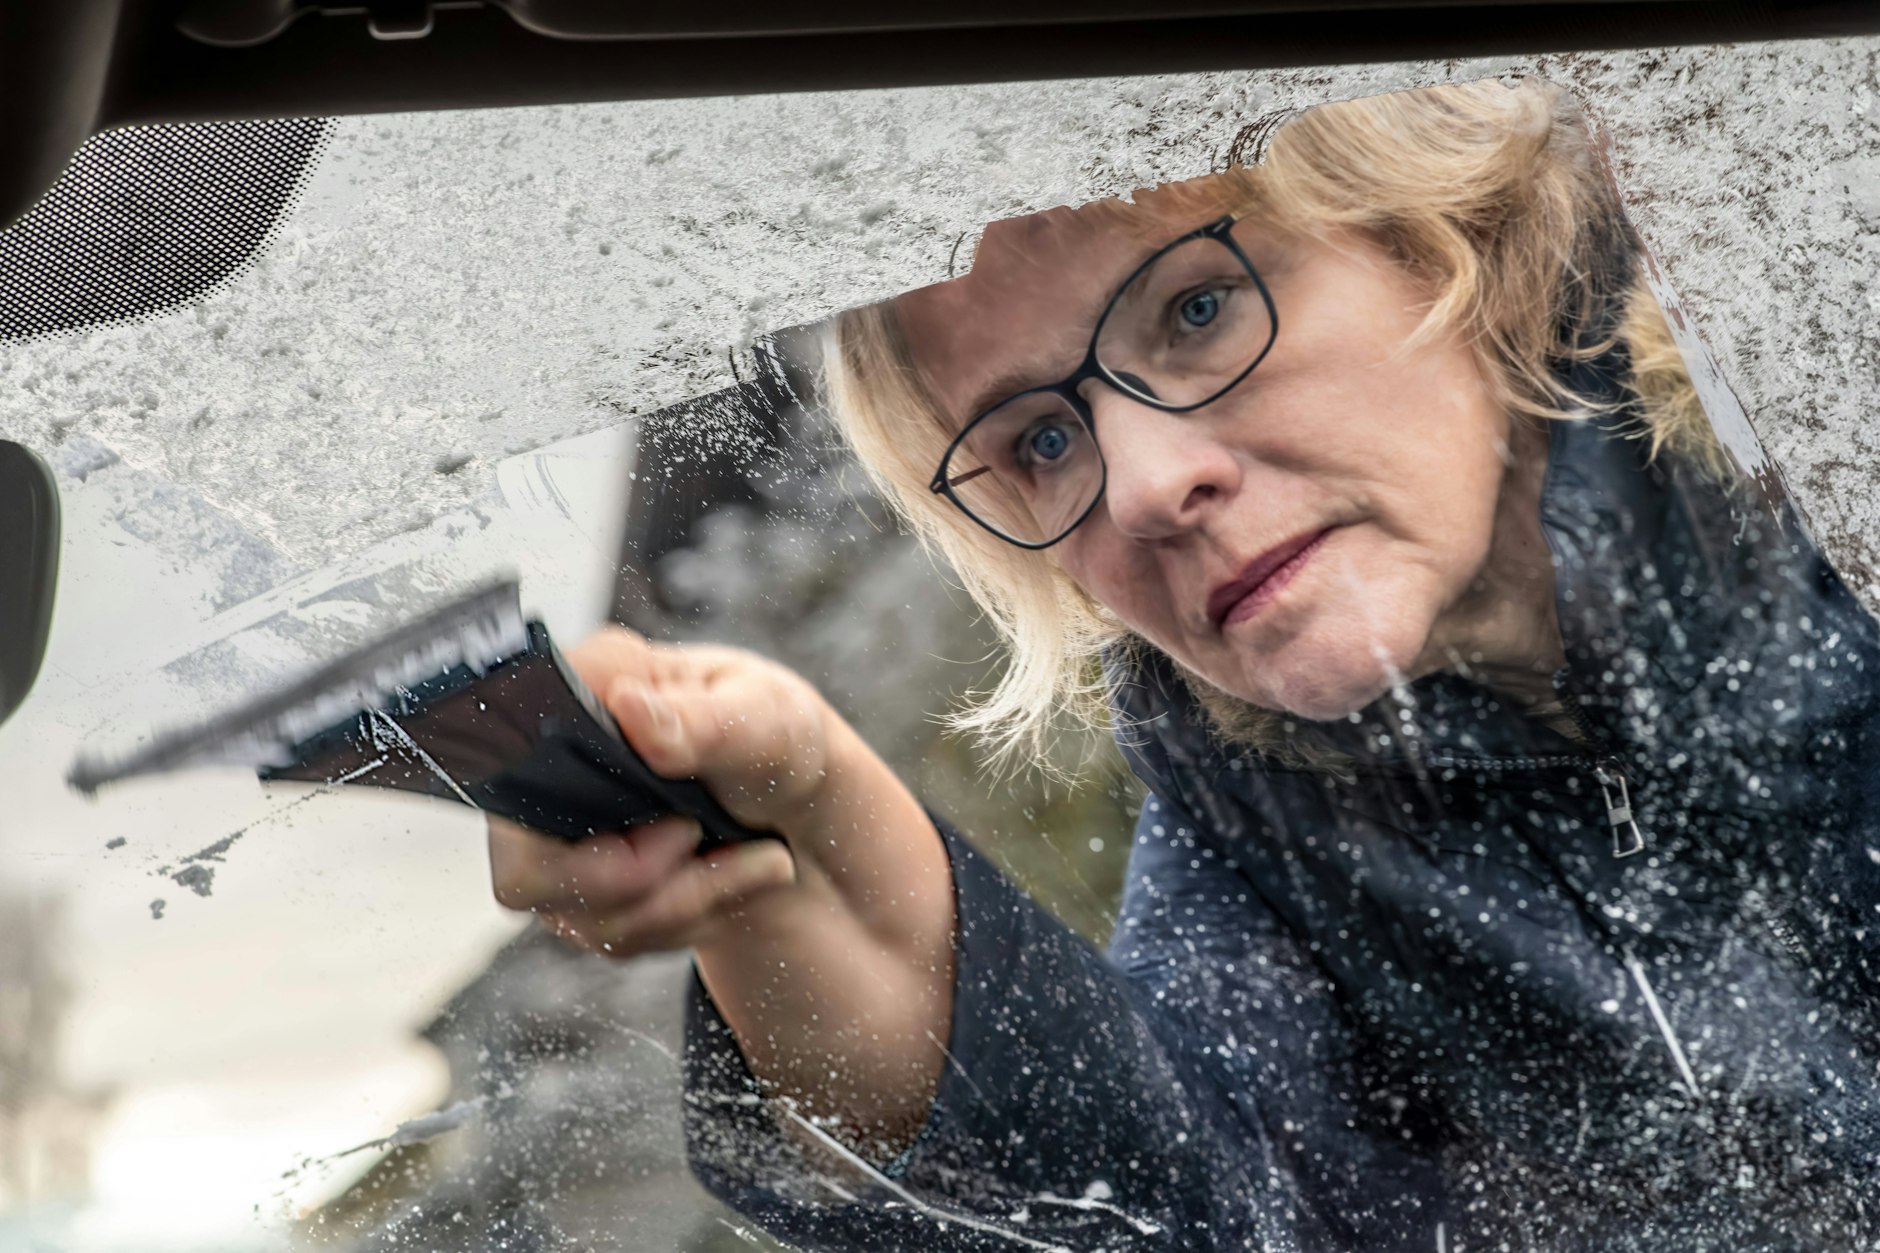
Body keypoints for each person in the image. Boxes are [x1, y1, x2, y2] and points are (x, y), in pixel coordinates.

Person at [485, 79, 1880, 1250]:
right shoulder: (1263, 818)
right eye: (1039, 442)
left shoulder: (1833, 412)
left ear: (1436, 224)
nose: (1140, 486)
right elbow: (1194, 1202)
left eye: (1200, 310)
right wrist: (830, 871)